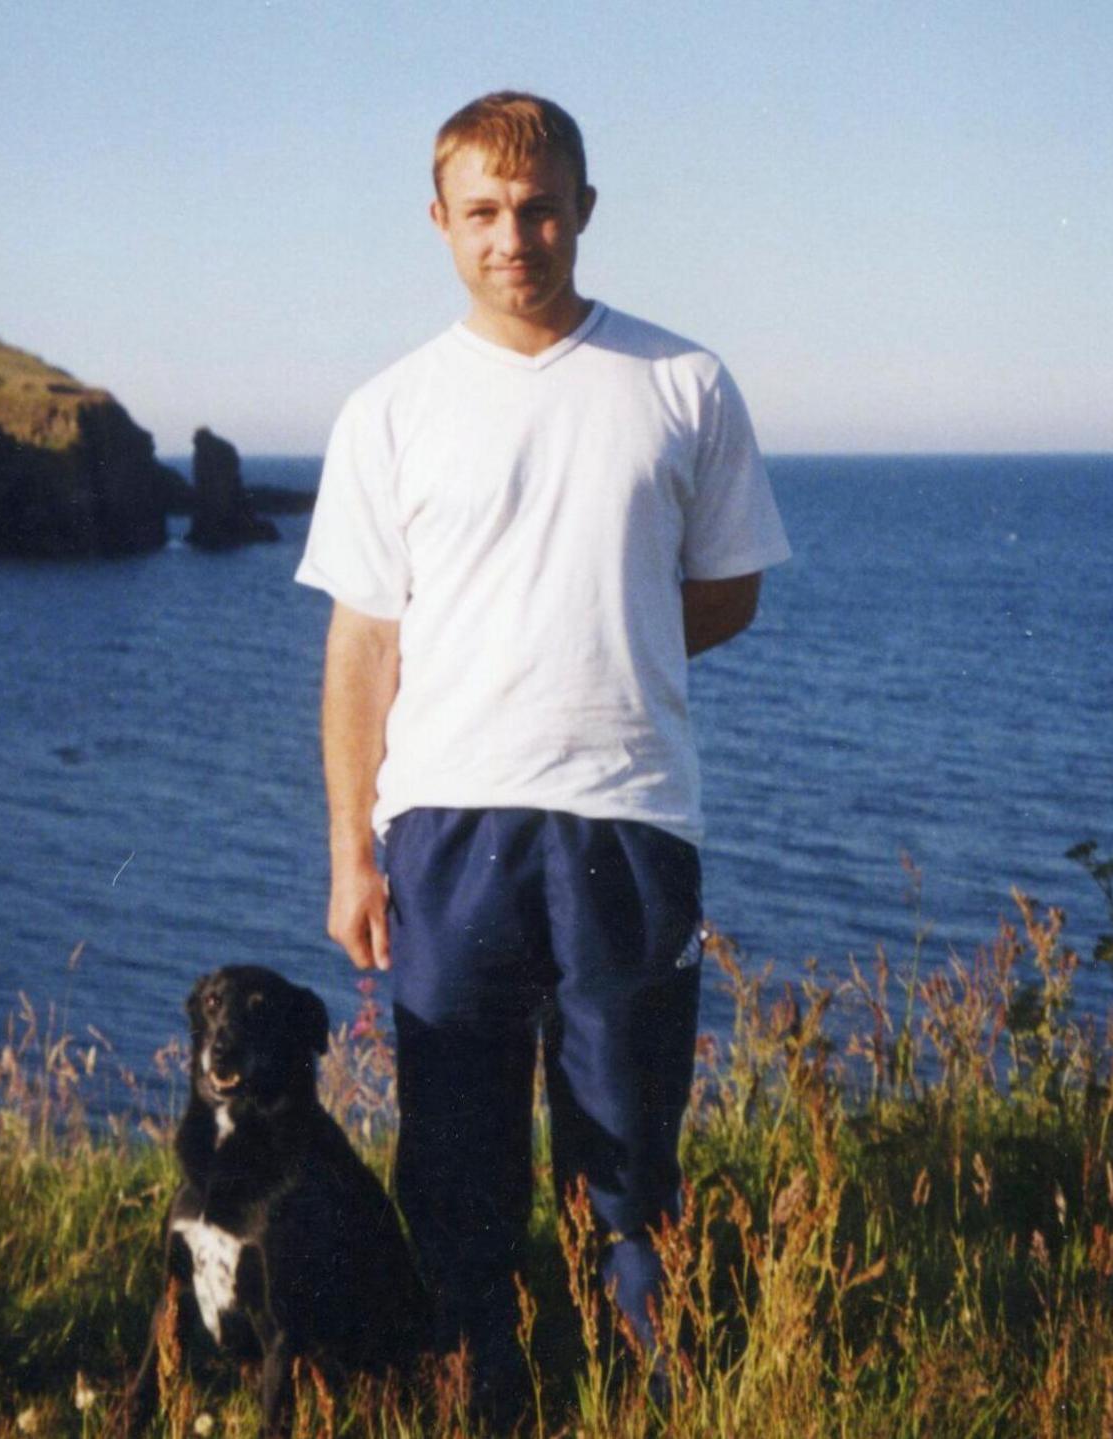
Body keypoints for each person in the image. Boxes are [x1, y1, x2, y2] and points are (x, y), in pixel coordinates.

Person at [295, 91, 789, 1417]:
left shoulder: (681, 382)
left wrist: (604, 639)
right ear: (442, 223)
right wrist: (353, 851)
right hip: (446, 827)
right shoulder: (390, 409)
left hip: (626, 819)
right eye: (485, 213)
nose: (517, 235)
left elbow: (729, 588)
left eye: (541, 206)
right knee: (456, 1148)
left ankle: (639, 1389)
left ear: (583, 206)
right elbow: (362, 648)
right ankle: (480, 1393)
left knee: (625, 1141)